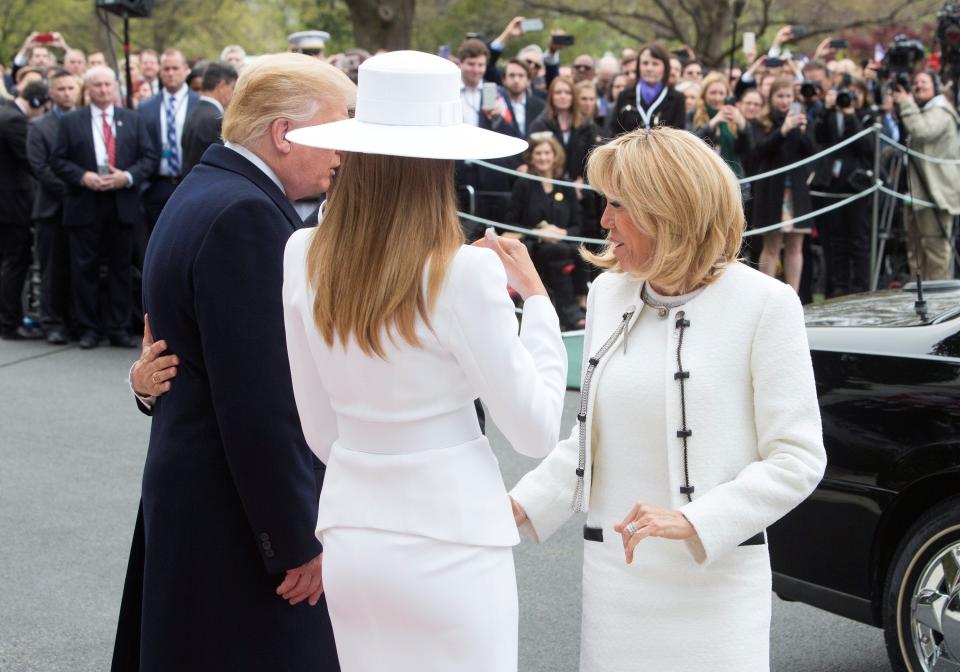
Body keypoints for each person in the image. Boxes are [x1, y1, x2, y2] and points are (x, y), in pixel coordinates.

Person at [284, 50, 566, 672]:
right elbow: (537, 427)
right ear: (440, 163)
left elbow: (319, 428)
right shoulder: (461, 271)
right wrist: (540, 305)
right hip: (454, 537)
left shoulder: (302, 252)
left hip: (354, 532)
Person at [509, 126, 826, 672]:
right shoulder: (609, 293)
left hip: (715, 584)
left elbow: (798, 458)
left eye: (617, 205)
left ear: (667, 210)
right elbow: (590, 440)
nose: (604, 220)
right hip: (616, 581)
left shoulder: (766, 304)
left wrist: (698, 519)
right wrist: (515, 506)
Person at [118, 53, 355, 671]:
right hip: (235, 512)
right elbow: (260, 400)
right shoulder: (246, 215)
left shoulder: (205, 188)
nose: (341, 153)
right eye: (334, 131)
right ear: (283, 132)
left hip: (201, 490)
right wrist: (296, 539)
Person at [51, 66, 157, 349]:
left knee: (120, 268)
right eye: (96, 85)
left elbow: (149, 157)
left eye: (107, 85)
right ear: (88, 88)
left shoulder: (131, 119)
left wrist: (127, 176)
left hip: (122, 203)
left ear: (115, 87)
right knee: (84, 268)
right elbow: (58, 160)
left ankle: (119, 327)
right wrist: (82, 176)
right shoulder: (72, 121)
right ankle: (88, 328)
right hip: (85, 202)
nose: (102, 90)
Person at [504, 135, 585, 329]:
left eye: (547, 153)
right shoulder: (523, 185)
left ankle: (578, 304)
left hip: (564, 245)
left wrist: (561, 232)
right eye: (538, 153)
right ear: (531, 157)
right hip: (534, 247)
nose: (543, 157)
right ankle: (569, 312)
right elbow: (510, 225)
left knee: (578, 251)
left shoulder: (564, 185)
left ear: (555, 156)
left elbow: (577, 226)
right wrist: (539, 233)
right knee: (557, 252)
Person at [27, 69, 78, 344]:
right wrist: (75, 187)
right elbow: (39, 167)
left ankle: (74, 320)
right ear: (51, 93)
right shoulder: (39, 126)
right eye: (61, 89)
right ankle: (52, 322)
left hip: (82, 209)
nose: (67, 93)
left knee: (77, 268)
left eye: (71, 88)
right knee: (51, 268)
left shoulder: (84, 120)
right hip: (53, 209)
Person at [893, 71, 960, 280]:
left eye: (924, 82)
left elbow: (922, 130)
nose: (918, 86)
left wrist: (905, 103)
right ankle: (920, 299)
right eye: (915, 82)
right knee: (915, 252)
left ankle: (940, 305)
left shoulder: (940, 111)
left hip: (935, 193)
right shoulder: (919, 110)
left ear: (935, 86)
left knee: (935, 249)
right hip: (917, 191)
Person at [753, 76, 816, 292]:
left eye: (789, 96)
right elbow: (760, 150)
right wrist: (783, 131)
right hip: (772, 190)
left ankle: (793, 295)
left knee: (795, 246)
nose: (785, 101)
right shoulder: (763, 122)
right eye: (780, 96)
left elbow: (811, 152)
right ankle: (766, 294)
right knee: (771, 246)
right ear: (771, 98)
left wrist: (802, 131)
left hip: (796, 190)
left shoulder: (801, 120)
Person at [0, 80, 47, 340]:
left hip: (8, 204)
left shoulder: (5, 113)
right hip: (13, 206)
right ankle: (9, 322)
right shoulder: (14, 121)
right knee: (15, 262)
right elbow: (31, 161)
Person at [138, 49, 199, 236]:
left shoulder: (199, 104)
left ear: (185, 69)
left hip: (189, 182)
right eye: (166, 69)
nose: (170, 73)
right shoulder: (146, 106)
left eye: (175, 68)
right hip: (157, 184)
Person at [529, 76, 597, 184]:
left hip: (579, 188)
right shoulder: (540, 124)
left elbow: (593, 159)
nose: (563, 96)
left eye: (567, 92)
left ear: (573, 96)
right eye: (558, 92)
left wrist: (583, 182)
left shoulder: (586, 125)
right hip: (549, 185)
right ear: (551, 96)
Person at [610, 43, 686, 135]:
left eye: (655, 64)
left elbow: (679, 136)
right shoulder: (624, 96)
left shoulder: (677, 98)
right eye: (645, 63)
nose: (649, 68)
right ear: (638, 66)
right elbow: (615, 133)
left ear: (665, 68)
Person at [181, 60, 237, 174]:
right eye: (232, 87)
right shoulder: (215, 119)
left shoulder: (194, 112)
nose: (233, 93)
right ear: (221, 86)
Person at [692, 72, 752, 177]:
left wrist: (742, 124)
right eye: (713, 93)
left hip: (735, 177)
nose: (717, 98)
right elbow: (692, 142)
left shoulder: (733, 115)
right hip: (706, 177)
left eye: (721, 93)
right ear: (704, 94)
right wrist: (714, 122)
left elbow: (746, 150)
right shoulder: (694, 113)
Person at [501, 57, 545, 138]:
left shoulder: (540, 106)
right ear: (504, 80)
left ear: (528, 81)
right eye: (512, 75)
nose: (516, 80)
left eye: (521, 76)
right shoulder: (498, 105)